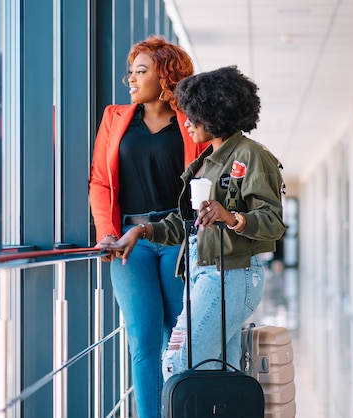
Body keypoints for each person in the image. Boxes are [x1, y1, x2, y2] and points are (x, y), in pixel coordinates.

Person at [101, 66, 286, 384]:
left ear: (214, 113)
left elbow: (273, 223)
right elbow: (185, 223)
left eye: (192, 115)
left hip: (233, 275)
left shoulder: (251, 156)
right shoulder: (203, 165)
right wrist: (142, 231)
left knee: (176, 363)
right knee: (216, 373)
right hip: (204, 274)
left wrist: (231, 217)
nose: (184, 121)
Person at [89, 35, 208, 418]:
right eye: (131, 71)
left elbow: (207, 180)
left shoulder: (194, 125)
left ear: (166, 77)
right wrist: (106, 232)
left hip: (180, 238)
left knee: (178, 337)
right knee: (141, 339)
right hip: (128, 241)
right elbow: (101, 182)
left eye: (141, 71)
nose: (131, 79)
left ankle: (183, 411)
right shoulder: (115, 118)